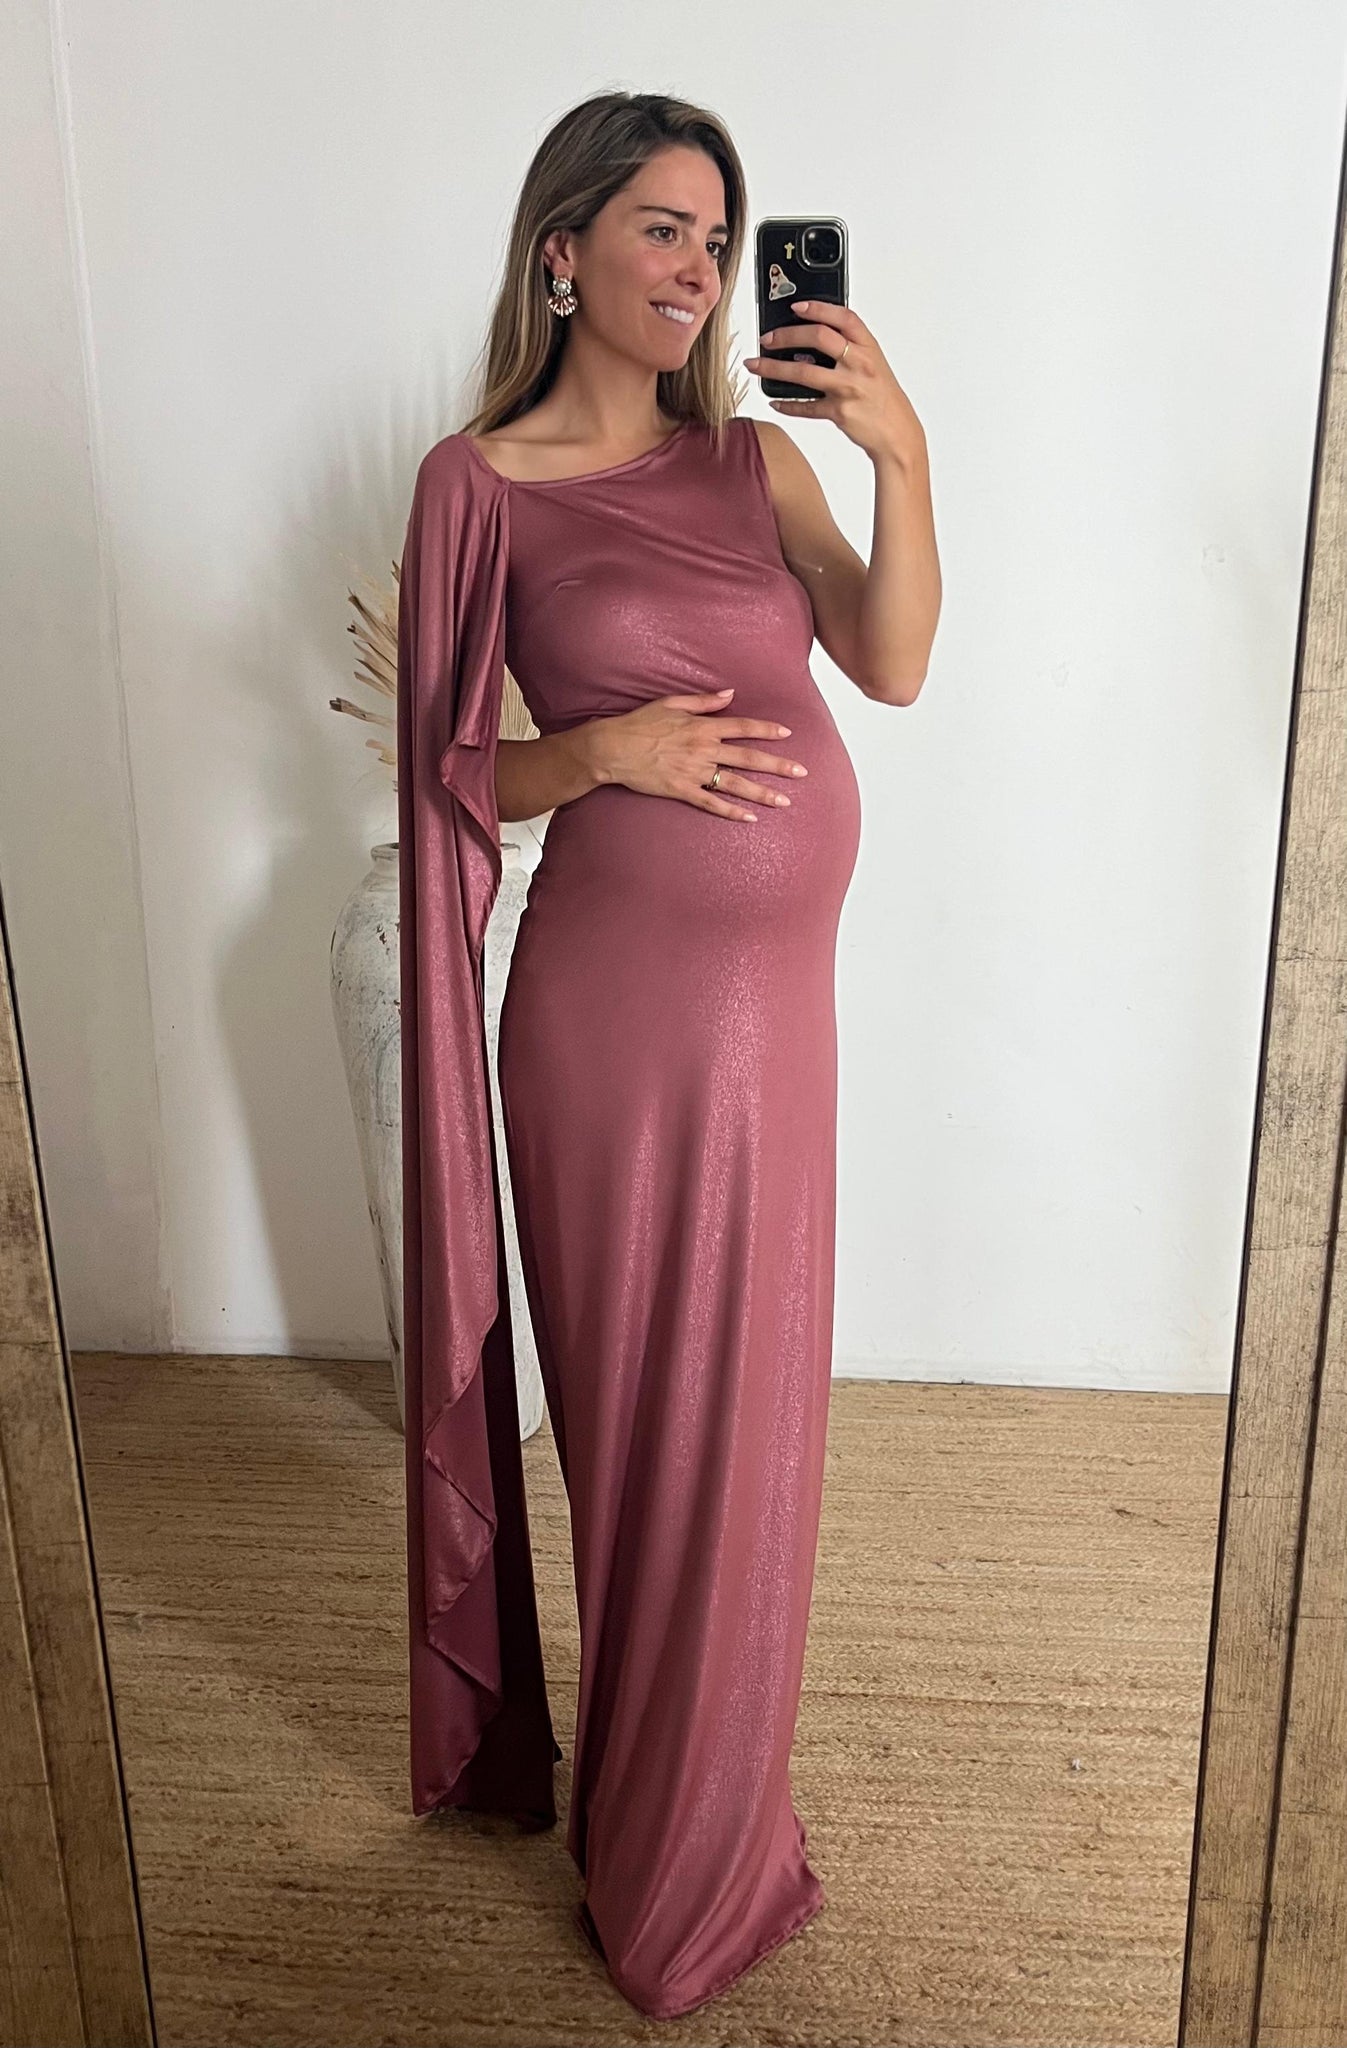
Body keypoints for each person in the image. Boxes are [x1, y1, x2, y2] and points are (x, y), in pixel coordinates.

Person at [396, 88, 941, 2023]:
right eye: (663, 229)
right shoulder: (479, 484)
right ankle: (655, 1850)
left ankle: (709, 1816)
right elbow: (446, 774)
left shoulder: (753, 463)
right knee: (644, 1434)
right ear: (563, 251)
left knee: (758, 1429)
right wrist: (599, 753)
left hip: (779, 1018)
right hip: (612, 1024)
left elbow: (890, 660)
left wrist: (899, 451)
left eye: (720, 237)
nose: (703, 269)